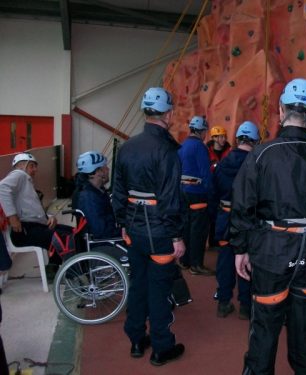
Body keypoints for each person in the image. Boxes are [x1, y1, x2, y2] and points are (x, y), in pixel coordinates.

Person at [230, 78, 306, 374]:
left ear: (280, 110)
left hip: (272, 251)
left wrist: (241, 249)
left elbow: (243, 204)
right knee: (305, 323)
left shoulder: (261, 154)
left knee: (265, 324)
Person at [112, 87, 186, 366]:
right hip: (160, 234)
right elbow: (170, 199)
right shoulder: (166, 150)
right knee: (158, 290)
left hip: (133, 230)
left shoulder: (127, 146)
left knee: (138, 285)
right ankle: (161, 348)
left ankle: (135, 340)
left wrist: (122, 222)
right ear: (167, 114)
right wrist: (177, 235)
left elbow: (117, 191)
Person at [211, 121, 260, 320]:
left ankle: (224, 302)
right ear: (255, 141)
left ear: (237, 139)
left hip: (225, 217)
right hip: (248, 220)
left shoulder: (223, 162)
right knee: (247, 260)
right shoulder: (256, 162)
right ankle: (246, 306)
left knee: (225, 260)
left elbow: (213, 191)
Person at [0, 153, 70, 267]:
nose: (35, 170)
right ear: (21, 166)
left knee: (71, 232)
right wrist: (12, 217)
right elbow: (2, 187)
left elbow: (32, 209)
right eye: (32, 166)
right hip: (23, 231)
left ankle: (53, 268)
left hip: (34, 226)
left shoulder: (26, 182)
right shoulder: (19, 175)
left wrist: (49, 217)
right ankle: (73, 274)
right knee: (65, 238)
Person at [178, 115, 214, 276]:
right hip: (197, 193)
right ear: (202, 131)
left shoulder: (183, 145)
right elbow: (205, 172)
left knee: (186, 227)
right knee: (198, 229)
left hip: (183, 191)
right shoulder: (200, 147)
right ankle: (196, 264)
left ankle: (185, 261)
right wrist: (211, 192)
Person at [73, 151, 120, 239]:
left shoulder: (96, 191)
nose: (108, 169)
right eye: (105, 166)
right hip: (105, 243)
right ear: (98, 171)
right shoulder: (88, 197)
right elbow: (101, 232)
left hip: (109, 236)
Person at [207, 125, 231, 248]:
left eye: (224, 136)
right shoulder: (207, 151)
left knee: (220, 215)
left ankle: (218, 240)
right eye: (221, 136)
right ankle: (212, 241)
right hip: (210, 188)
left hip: (223, 188)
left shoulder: (229, 151)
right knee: (210, 215)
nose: (223, 139)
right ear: (214, 138)